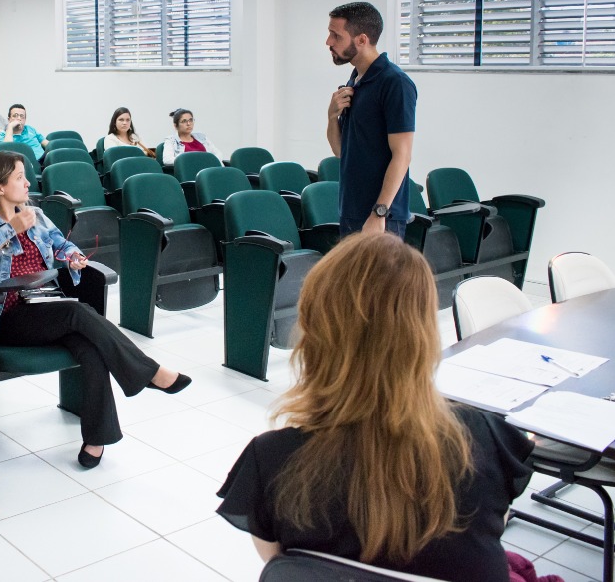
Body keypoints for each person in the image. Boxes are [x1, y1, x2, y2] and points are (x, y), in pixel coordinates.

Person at [217, 233, 535, 581]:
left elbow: (281, 567)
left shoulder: (270, 458)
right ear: (424, 333)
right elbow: (492, 527)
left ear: (313, 330)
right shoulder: (486, 438)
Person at [0, 152, 191, 469]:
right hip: (5, 316)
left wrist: (73, 256)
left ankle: (97, 438)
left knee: (90, 347)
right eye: (19, 178)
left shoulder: (35, 214)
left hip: (44, 304)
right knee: (77, 313)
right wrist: (9, 228)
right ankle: (149, 372)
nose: (28, 183)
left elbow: (60, 243)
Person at [325, 1, 416, 238]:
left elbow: (402, 155)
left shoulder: (395, 83)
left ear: (362, 40)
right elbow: (340, 151)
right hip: (351, 212)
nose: (328, 42)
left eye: (336, 35)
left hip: (382, 219)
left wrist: (379, 213)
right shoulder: (354, 81)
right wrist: (332, 115)